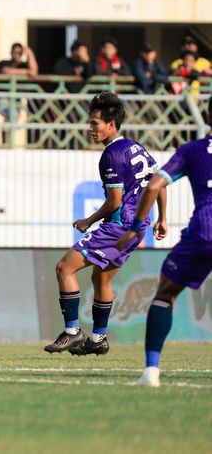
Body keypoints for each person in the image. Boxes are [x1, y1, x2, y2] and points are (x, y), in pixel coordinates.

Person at [44, 92, 167, 356]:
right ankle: (98, 338)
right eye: (90, 123)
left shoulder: (111, 155)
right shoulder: (136, 147)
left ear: (111, 124)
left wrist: (88, 220)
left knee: (64, 268)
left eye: (95, 123)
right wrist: (162, 218)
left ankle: (72, 332)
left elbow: (114, 202)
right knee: (101, 277)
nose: (90, 129)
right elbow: (159, 180)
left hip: (119, 226)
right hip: (138, 226)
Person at [116, 96, 212, 387]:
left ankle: (151, 372)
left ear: (207, 117)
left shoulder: (192, 151)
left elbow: (154, 184)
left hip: (203, 233)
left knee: (165, 294)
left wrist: (135, 227)